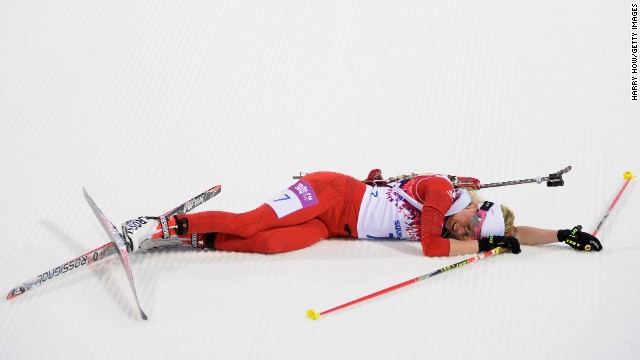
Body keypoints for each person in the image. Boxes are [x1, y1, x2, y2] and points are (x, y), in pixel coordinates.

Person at [123, 171, 602, 257]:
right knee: (255, 223)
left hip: (335, 226)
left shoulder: (463, 206)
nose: (462, 231)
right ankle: (154, 224)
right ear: (475, 215)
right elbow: (433, 247)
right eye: (471, 227)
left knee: (269, 245)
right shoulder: (441, 197)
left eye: (471, 231)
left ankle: (190, 238)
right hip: (330, 193)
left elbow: (514, 231)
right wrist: (485, 245)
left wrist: (563, 233)